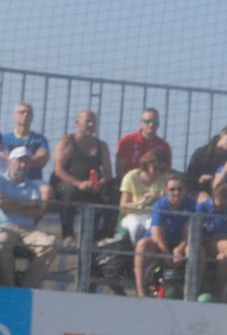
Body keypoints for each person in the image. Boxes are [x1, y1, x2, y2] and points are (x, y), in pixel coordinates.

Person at [51, 109, 115, 242]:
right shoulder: (67, 142)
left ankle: (105, 235)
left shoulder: (101, 146)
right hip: (67, 184)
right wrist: (78, 184)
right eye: (88, 121)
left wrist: (100, 183)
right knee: (69, 191)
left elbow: (108, 172)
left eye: (93, 122)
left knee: (112, 192)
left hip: (92, 187)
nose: (91, 124)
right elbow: (58, 170)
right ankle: (68, 234)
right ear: (77, 122)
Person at [0, 146, 57, 287]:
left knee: (50, 244)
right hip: (4, 226)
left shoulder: (34, 186)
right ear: (10, 162)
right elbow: (3, 205)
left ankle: (27, 286)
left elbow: (38, 212)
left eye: (26, 162)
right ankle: (9, 285)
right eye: (20, 161)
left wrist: (13, 204)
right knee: (2, 242)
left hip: (28, 229)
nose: (23, 165)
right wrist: (26, 204)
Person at [134, 175, 194, 296]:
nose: (176, 192)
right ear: (166, 191)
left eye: (180, 189)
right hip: (159, 246)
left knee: (197, 251)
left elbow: (189, 234)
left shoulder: (190, 204)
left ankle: (191, 294)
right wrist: (167, 256)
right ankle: (141, 294)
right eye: (172, 189)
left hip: (178, 245)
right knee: (142, 245)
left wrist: (180, 249)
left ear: (185, 191)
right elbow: (157, 237)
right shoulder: (160, 206)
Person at [184, 124, 227, 197]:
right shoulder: (202, 152)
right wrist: (199, 180)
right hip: (201, 191)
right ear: (222, 135)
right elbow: (190, 176)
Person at [114, 107, 171, 178]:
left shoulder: (164, 146)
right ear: (141, 123)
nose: (151, 125)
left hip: (155, 186)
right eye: (147, 122)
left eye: (155, 121)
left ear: (158, 124)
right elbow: (119, 169)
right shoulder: (127, 141)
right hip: (130, 185)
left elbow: (166, 171)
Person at [2, 102, 50, 181]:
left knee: (46, 190)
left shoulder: (40, 139)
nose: (26, 114)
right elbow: (3, 159)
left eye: (29, 112)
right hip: (9, 181)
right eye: (22, 112)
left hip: (34, 181)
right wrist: (29, 161)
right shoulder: (5, 139)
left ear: (32, 117)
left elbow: (42, 160)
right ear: (14, 115)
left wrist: (15, 160)